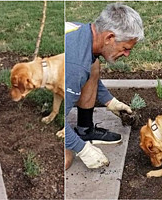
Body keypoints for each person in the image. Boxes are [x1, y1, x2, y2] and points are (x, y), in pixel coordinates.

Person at [65, 3, 144, 169]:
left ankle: (85, 130)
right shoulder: (75, 66)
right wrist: (82, 149)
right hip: (35, 90)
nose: (127, 54)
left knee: (93, 64)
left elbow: (87, 71)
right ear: (109, 38)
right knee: (65, 160)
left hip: (58, 71)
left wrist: (110, 101)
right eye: (125, 48)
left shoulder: (84, 33)